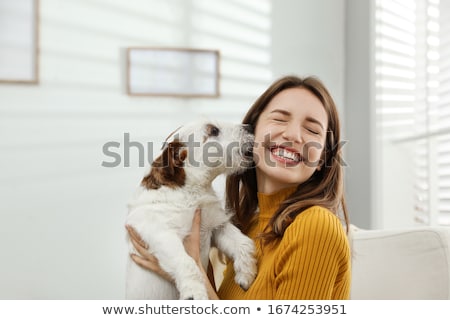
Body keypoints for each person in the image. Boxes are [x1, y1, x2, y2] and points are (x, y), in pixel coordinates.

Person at [128, 75, 351, 300]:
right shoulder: (251, 226)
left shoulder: (316, 226)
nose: (293, 135)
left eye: (313, 131)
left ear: (323, 157)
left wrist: (193, 270)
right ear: (252, 132)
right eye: (280, 119)